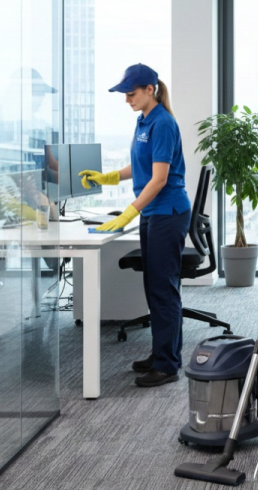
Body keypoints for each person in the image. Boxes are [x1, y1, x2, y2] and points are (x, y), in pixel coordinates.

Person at [79, 63, 191, 388]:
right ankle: (161, 353)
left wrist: (127, 214)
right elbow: (142, 165)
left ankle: (168, 365)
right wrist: (110, 176)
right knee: (153, 287)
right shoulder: (143, 121)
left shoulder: (163, 123)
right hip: (152, 212)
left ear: (149, 90)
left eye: (131, 93)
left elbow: (159, 179)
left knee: (163, 288)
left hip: (167, 211)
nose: (127, 99)